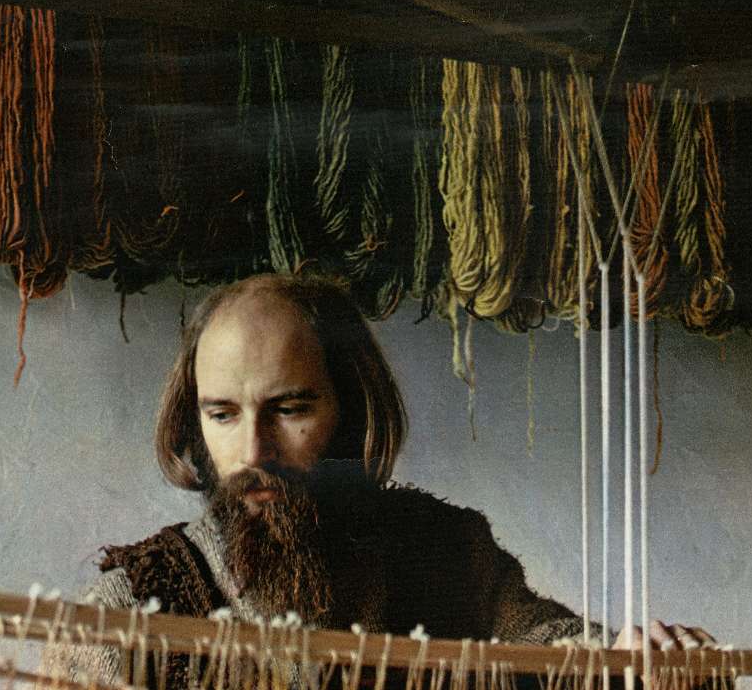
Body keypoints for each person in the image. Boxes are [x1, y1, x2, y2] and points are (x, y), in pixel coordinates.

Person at [76, 271, 713, 663]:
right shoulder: (133, 610)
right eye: (222, 415)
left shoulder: (442, 555)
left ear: (352, 407)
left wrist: (627, 661)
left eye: (289, 409)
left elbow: (550, 648)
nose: (252, 453)